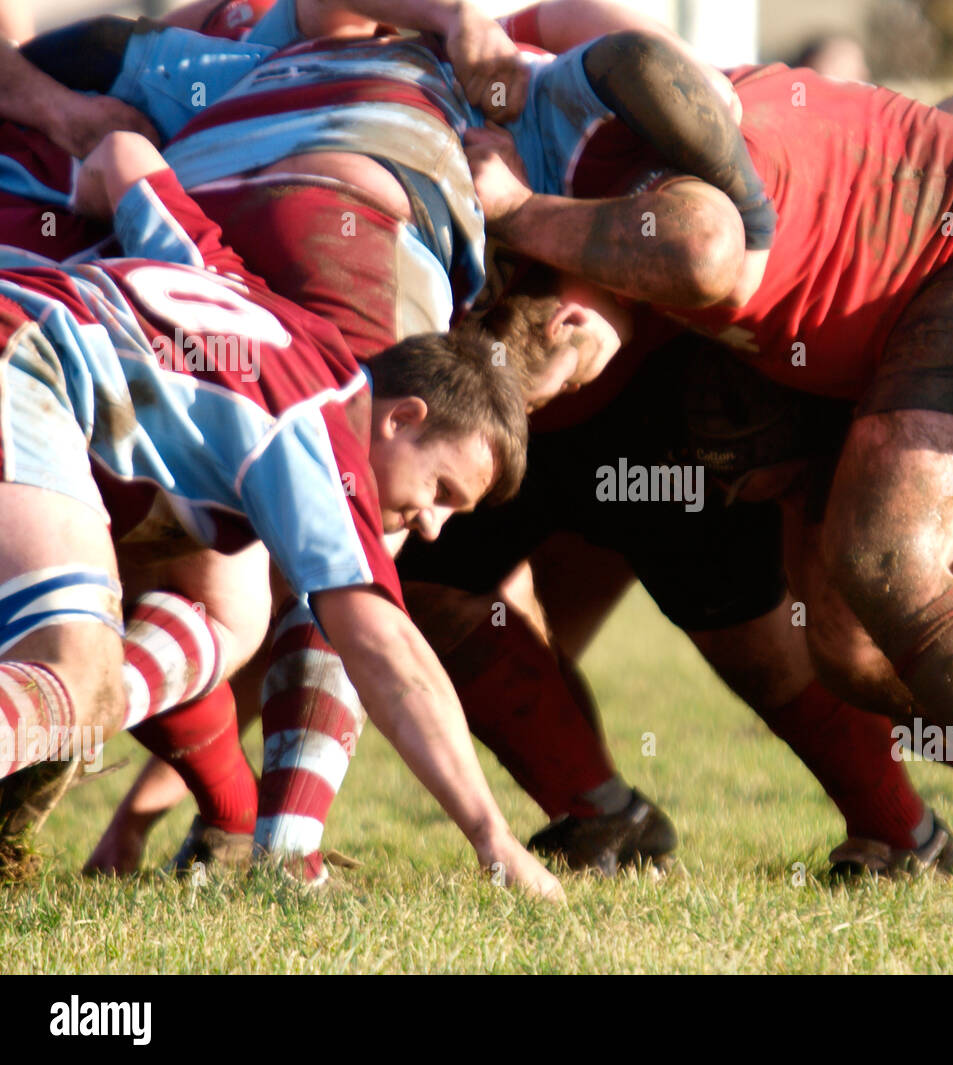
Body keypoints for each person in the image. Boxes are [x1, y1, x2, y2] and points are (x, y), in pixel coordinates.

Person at [0, 128, 560, 899]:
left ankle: (211, 807)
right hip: (25, 370)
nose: (431, 525)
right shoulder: (320, 438)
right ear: (401, 418)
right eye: (442, 492)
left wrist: (80, 205)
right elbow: (389, 656)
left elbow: (126, 156)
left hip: (25, 323)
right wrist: (496, 840)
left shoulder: (269, 313)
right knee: (78, 676)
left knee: (234, 606)